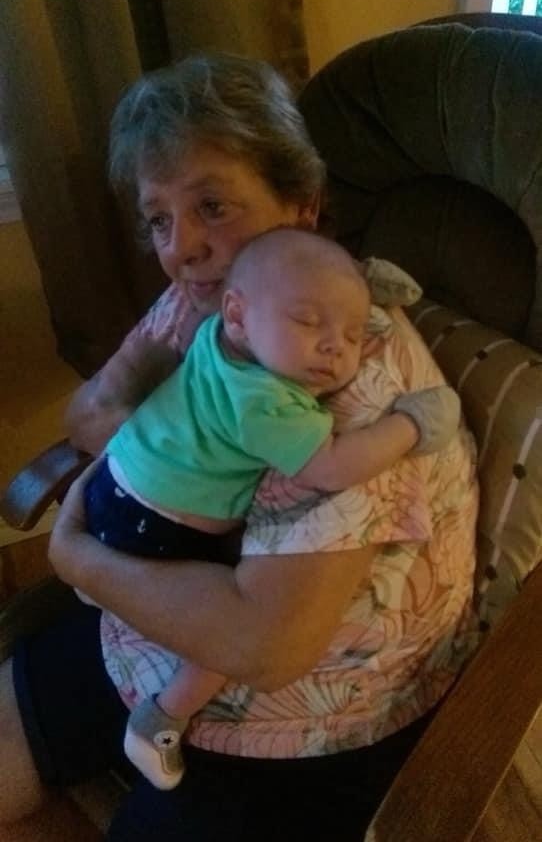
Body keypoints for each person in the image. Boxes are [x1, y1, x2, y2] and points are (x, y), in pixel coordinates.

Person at [0, 52, 477, 842]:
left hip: (309, 716)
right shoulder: (221, 301)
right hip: (163, 615)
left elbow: (266, 646)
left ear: (302, 206)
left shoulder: (349, 384)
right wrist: (157, 415)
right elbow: (89, 416)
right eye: (158, 219)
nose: (180, 247)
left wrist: (75, 555)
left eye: (211, 206)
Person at [81, 226, 460, 790]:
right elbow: (331, 467)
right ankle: (161, 719)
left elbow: (286, 295)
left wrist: (347, 294)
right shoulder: (266, 401)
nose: (335, 347)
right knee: (230, 635)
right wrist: (411, 424)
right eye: (309, 321)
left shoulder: (216, 337)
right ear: (237, 315)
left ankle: (99, 582)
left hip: (113, 484)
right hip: (156, 527)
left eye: (353, 332)